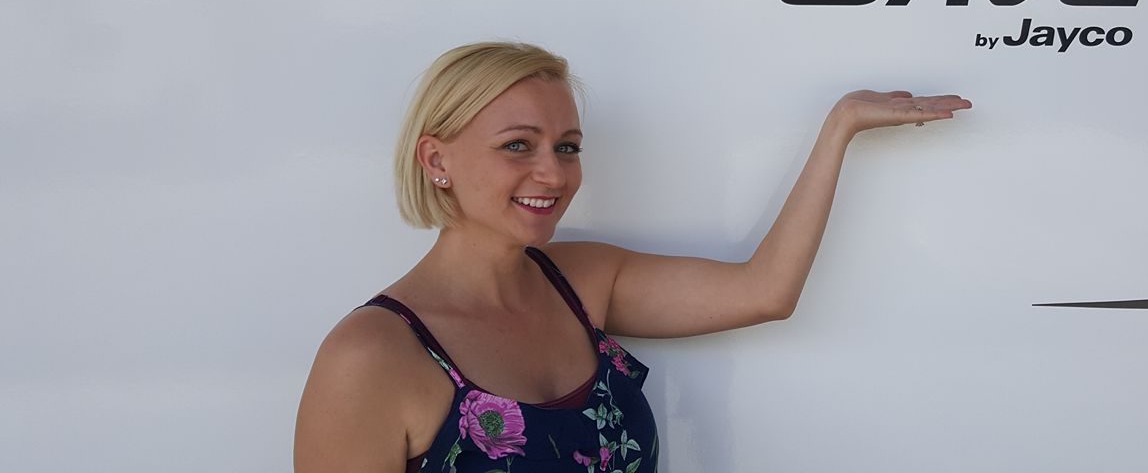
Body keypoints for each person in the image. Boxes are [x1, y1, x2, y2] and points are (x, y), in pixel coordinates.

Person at [294, 41, 970, 473]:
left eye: (567, 147)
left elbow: (766, 291)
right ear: (435, 159)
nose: (553, 174)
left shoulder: (581, 282)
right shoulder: (373, 355)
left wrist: (840, 127)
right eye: (517, 145)